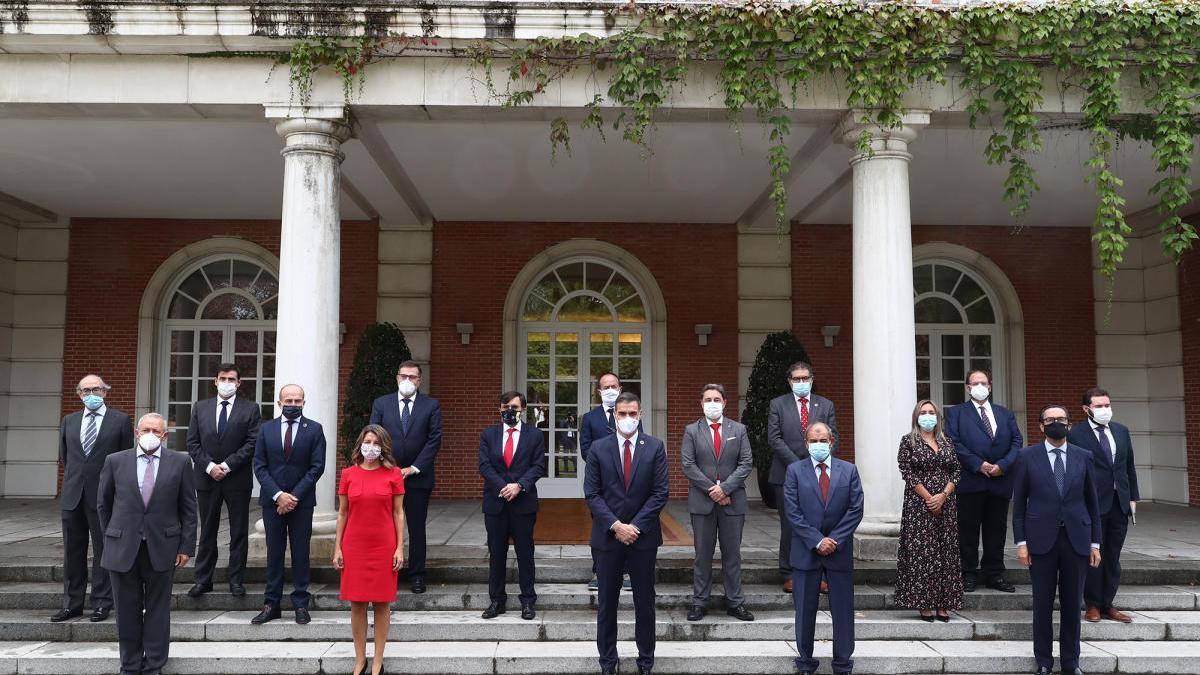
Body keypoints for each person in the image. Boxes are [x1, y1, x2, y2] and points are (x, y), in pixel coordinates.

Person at [97, 413, 197, 675]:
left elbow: (188, 509)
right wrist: (113, 535)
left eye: (157, 430)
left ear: (165, 436)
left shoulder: (181, 462)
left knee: (158, 609)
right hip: (123, 546)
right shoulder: (115, 461)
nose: (151, 434)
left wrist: (186, 546)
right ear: (136, 433)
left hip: (163, 546)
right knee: (126, 610)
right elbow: (103, 504)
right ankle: (130, 664)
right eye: (146, 429)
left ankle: (154, 663)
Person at [1012, 405, 1102, 675]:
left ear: (1069, 425)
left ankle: (1071, 661)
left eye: (1060, 420)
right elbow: (1019, 506)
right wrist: (1021, 543)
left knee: (1073, 604)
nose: (1056, 424)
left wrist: (1095, 543)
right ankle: (1043, 661)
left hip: (1077, 539)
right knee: (1042, 604)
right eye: (1049, 420)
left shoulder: (1084, 456)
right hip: (1040, 541)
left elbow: (1093, 503)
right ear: (1041, 426)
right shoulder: (1027, 456)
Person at [585, 392, 668, 675]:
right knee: (607, 603)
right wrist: (617, 525)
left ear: (640, 415)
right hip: (608, 538)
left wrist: (635, 526)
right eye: (622, 414)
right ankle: (608, 661)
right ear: (615, 416)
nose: (628, 418)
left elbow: (660, 493)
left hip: (643, 539)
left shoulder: (655, 447)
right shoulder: (598, 448)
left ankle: (646, 660)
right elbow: (592, 494)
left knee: (644, 603)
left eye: (633, 414)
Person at [53, 374, 133, 623]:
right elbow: (66, 457)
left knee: (103, 551)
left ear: (105, 392)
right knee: (72, 552)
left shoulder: (120, 420)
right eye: (86, 391)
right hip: (73, 496)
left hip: (105, 497)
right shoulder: (69, 420)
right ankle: (72, 604)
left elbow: (125, 459)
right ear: (79, 394)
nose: (91, 395)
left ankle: (102, 602)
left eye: (96, 390)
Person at [784, 422, 863, 675]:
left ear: (832, 442)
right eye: (813, 440)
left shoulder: (849, 470)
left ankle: (842, 663)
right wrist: (817, 540)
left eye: (823, 440)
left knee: (842, 612)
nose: (818, 444)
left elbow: (856, 508)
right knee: (805, 612)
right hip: (806, 552)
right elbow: (792, 511)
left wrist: (834, 539)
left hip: (839, 552)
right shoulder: (794, 471)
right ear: (806, 444)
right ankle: (805, 662)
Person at [185, 363, 262, 599]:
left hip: (236, 478)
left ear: (238, 383)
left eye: (231, 379)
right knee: (208, 529)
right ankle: (203, 579)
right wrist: (210, 467)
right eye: (223, 378)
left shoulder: (250, 409)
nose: (227, 383)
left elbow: (252, 442)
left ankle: (236, 579)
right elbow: (192, 442)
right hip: (207, 479)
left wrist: (227, 466)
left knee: (238, 531)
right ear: (215, 381)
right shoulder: (200, 407)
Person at [251, 384, 326, 625]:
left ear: (304, 402)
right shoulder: (266, 429)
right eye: (288, 400)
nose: (293, 404)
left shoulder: (314, 429)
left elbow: (317, 467)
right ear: (279, 403)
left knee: (300, 553)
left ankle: (301, 604)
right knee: (274, 554)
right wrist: (278, 496)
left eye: (297, 400)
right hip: (272, 502)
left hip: (301, 503)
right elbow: (260, 466)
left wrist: (293, 496)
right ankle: (271, 604)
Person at [334, 424, 405, 675]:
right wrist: (337, 549)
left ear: (383, 447)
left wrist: (399, 548)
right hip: (354, 545)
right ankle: (360, 659)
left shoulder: (394, 474)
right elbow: (342, 513)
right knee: (357, 604)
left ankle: (378, 660)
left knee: (383, 603)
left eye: (376, 443)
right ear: (360, 444)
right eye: (368, 442)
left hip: (384, 545)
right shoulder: (348, 474)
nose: (371, 447)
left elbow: (398, 512)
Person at [680, 383, 755, 622]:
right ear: (701, 404)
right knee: (702, 554)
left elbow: (745, 463)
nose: (712, 403)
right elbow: (688, 465)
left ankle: (735, 602)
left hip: (733, 502)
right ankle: (699, 602)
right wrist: (713, 490)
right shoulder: (692, 430)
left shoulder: (739, 429)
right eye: (707, 399)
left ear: (724, 402)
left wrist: (725, 488)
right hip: (702, 502)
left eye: (716, 399)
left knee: (732, 555)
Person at [944, 369, 1023, 593]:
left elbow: (1017, 441)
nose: (980, 386)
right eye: (974, 383)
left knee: (996, 530)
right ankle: (967, 573)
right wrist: (979, 464)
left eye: (984, 383)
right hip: (970, 480)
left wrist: (1003, 466)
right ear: (968, 388)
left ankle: (994, 574)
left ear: (990, 385)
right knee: (967, 531)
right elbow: (952, 441)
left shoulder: (1005, 413)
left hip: (1000, 481)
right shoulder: (956, 413)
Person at [369, 360, 442, 594]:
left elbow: (434, 439)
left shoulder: (431, 405)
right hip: (385, 476)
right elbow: (373, 436)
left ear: (420, 380)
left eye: (413, 377)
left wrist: (413, 468)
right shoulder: (381, 403)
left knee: (417, 527)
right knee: (385, 526)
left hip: (418, 478)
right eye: (404, 376)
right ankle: (387, 571)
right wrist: (387, 465)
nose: (408, 381)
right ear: (397, 378)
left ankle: (417, 575)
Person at [1068, 387, 1139, 624]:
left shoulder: (1121, 431)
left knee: (1112, 556)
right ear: (1086, 409)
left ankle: (1108, 603)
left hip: (1119, 504)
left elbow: (1128, 466)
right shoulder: (1076, 434)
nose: (1104, 410)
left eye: (1107, 405)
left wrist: (1133, 497)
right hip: (1092, 504)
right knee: (1093, 555)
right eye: (1099, 406)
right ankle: (1092, 604)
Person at [767, 360, 837, 593]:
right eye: (796, 379)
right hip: (786, 473)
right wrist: (799, 466)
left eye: (804, 378)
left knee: (818, 524)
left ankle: (820, 574)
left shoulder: (825, 405)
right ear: (789, 381)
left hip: (819, 475)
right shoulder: (778, 404)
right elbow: (774, 438)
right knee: (790, 525)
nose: (801, 382)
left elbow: (833, 436)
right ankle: (789, 573)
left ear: (811, 379)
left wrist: (814, 464)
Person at [479, 391, 547, 620]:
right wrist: (504, 486)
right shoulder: (489, 434)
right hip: (496, 503)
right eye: (506, 406)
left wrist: (519, 486)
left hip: (523, 504)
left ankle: (528, 601)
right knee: (496, 554)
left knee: (525, 553)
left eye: (515, 407)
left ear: (523, 410)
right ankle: (497, 601)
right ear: (499, 408)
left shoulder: (535, 435)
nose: (510, 410)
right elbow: (484, 466)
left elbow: (539, 466)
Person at [894, 400, 964, 622]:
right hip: (918, 505)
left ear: (937, 417)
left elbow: (956, 470)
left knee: (946, 553)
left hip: (946, 503)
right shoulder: (908, 442)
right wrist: (929, 498)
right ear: (916, 417)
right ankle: (924, 602)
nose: (927, 416)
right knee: (923, 553)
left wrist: (943, 495)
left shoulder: (946, 441)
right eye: (923, 412)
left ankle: (944, 603)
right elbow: (907, 472)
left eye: (931, 412)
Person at [579, 372, 638, 591]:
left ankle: (628, 571)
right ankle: (599, 571)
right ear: (599, 391)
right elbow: (585, 448)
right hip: (602, 484)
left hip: (627, 482)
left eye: (614, 385)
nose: (610, 389)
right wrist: (606, 467)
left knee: (628, 524)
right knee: (602, 526)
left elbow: (638, 445)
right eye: (606, 387)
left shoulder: (630, 415)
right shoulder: (590, 418)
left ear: (620, 389)